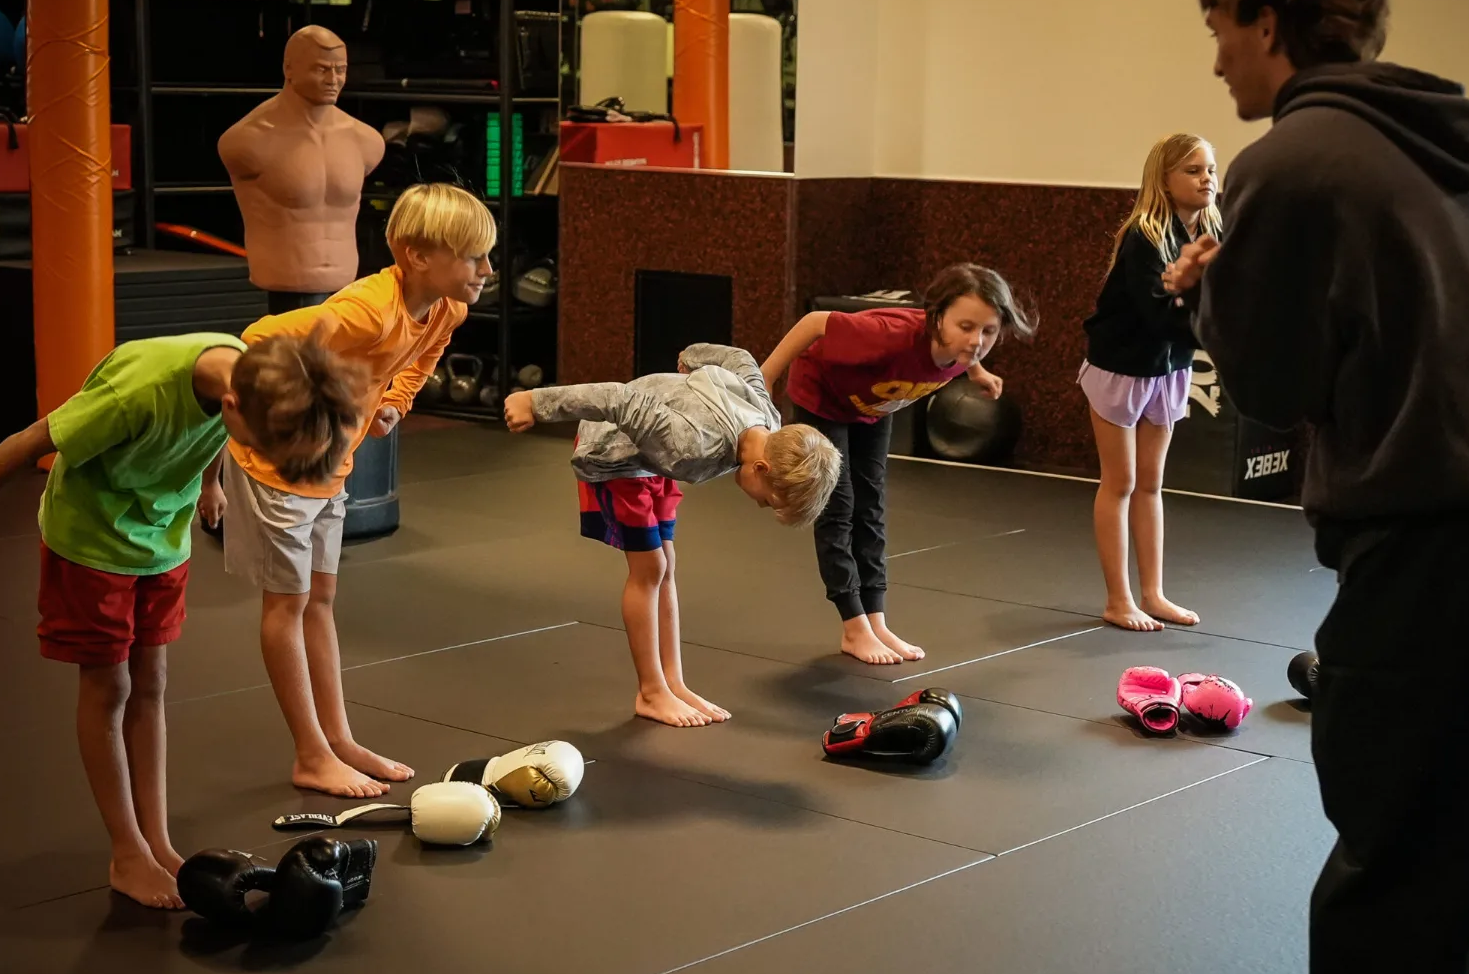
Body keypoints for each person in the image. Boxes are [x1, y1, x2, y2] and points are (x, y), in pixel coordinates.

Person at [1162, 0, 1469, 974]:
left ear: (1267, 20)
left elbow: (1266, 383)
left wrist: (1207, 286)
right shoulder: (1423, 138)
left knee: (1392, 874)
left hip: (1435, 548)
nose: (1215, 57)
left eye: (1220, 26)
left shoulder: (1293, 161)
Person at [0, 332, 363, 908]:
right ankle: (125, 851)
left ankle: (157, 842)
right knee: (109, 685)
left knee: (153, 683)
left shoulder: (248, 375)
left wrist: (211, 482)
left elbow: (225, 433)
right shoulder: (136, 391)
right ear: (235, 406)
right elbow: (25, 443)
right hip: (91, 541)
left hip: (161, 536)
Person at [209, 182, 493, 799]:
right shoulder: (365, 310)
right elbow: (254, 340)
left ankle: (336, 739)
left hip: (330, 469)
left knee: (321, 602)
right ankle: (309, 753)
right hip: (276, 471)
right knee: (286, 606)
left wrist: (394, 400)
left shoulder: (447, 308)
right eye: (475, 258)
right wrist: (269, 424)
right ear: (418, 256)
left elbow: (423, 356)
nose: (487, 271)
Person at [502, 346, 841, 726]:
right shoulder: (689, 443)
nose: (760, 506)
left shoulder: (766, 417)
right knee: (650, 568)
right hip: (612, 453)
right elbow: (617, 398)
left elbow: (742, 360)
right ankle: (650, 692)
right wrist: (535, 401)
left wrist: (693, 356)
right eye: (766, 500)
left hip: (654, 458)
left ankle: (673, 681)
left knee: (667, 564)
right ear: (761, 467)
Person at [759, 265, 1035, 665]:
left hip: (873, 405)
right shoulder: (890, 334)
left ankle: (876, 618)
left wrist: (977, 369)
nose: (976, 340)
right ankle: (853, 627)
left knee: (870, 504)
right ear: (936, 315)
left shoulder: (964, 349)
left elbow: (971, 348)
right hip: (823, 394)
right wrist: (765, 376)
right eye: (965, 326)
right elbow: (815, 323)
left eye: (988, 331)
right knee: (839, 505)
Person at [1082, 134, 1222, 632]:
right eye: (1192, 170)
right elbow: (1158, 315)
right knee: (1119, 482)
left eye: (1210, 168)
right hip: (1121, 368)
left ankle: (1153, 593)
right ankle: (1118, 599)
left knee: (1151, 483)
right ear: (1163, 179)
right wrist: (1218, 328)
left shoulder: (1207, 233)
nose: (1207, 178)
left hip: (1168, 369)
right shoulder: (1144, 236)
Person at [219, 25, 384, 311]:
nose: (333, 80)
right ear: (289, 70)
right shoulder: (249, 140)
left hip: (344, 291)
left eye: (340, 70)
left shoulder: (366, 141)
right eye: (321, 69)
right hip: (281, 291)